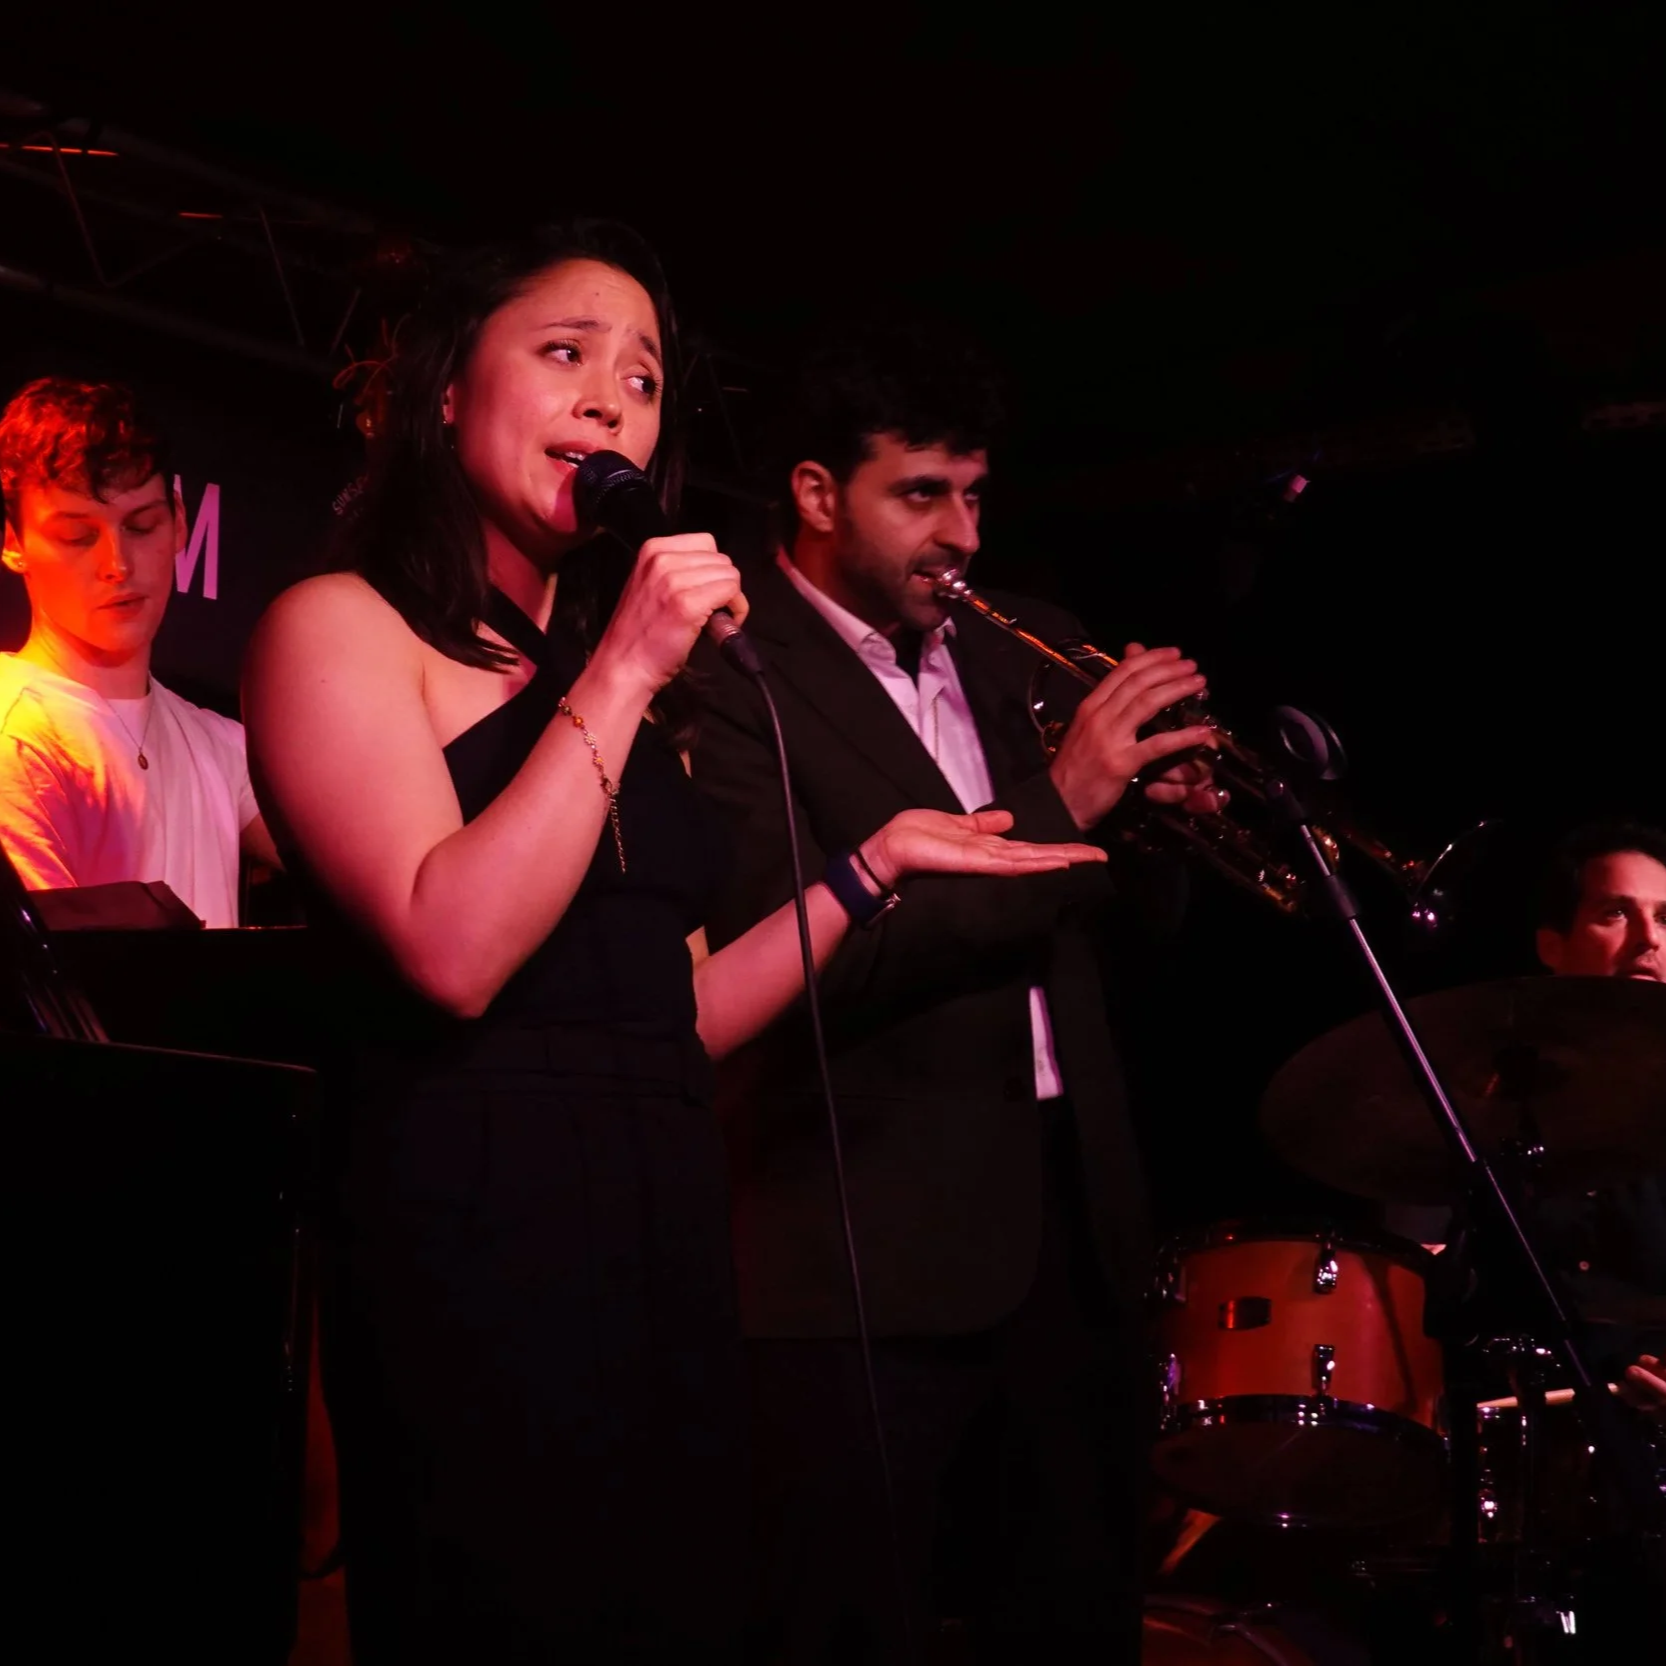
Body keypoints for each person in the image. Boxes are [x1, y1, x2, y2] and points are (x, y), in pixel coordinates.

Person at [239, 222, 1105, 1665]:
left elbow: (677, 1010)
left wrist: (868, 867)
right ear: (449, 389)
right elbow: (450, 945)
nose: (609, 403)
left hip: (659, 1223)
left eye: (640, 380)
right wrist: (633, 665)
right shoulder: (340, 628)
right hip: (474, 1222)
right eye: (565, 356)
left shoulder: (601, 684)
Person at [689, 327, 1222, 1663]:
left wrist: (1162, 831)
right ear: (816, 495)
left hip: (1066, 1228)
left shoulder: (1016, 649)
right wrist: (1064, 799)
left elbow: (1098, 937)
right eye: (920, 494)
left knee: (1073, 1617)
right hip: (858, 1244)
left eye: (975, 494)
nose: (962, 534)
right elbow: (808, 955)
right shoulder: (724, 669)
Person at [0, 378, 276, 926]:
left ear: (179, 520)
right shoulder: (17, 735)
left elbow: (382, 873)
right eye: (77, 536)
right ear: (12, 542)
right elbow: (47, 995)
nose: (117, 564)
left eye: (141, 525)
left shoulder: (219, 744)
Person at [1530, 819, 1666, 1416]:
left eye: (1665, 918)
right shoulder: (1477, 1100)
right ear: (1552, 946)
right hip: (1515, 1441)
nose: (1648, 939)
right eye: (1615, 912)